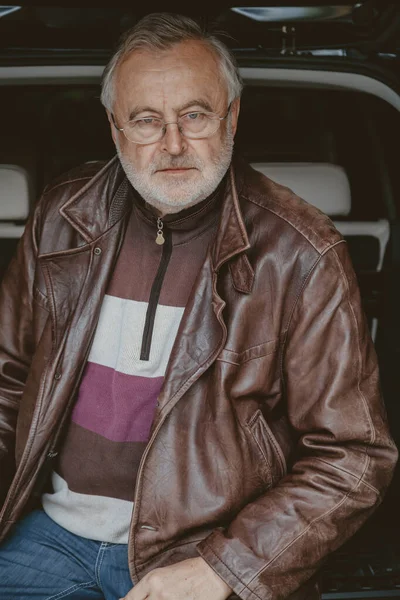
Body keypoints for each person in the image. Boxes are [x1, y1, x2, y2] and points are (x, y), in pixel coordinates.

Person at [0, 12, 397, 600]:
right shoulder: (62, 218)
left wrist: (224, 569)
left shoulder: (302, 254)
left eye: (194, 115)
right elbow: (6, 386)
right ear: (115, 129)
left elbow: (354, 456)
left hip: (204, 552)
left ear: (231, 117)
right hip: (50, 539)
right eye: (146, 121)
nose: (173, 143)